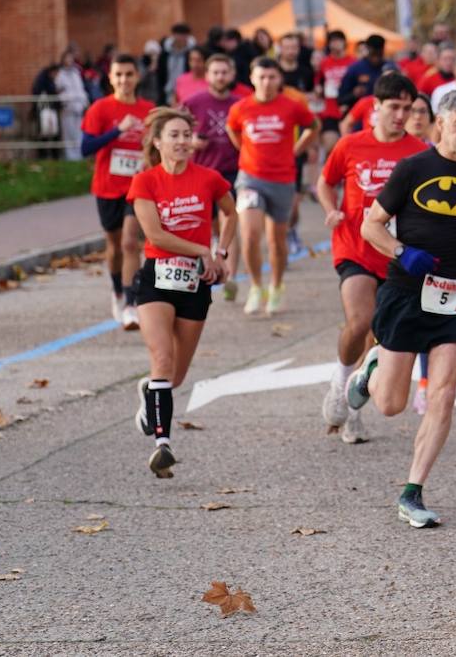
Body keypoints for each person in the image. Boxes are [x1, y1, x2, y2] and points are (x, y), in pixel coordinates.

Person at [345, 89, 456, 528]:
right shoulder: (413, 168)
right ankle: (373, 368)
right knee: (389, 405)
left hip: (451, 296)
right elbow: (371, 224)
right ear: (440, 126)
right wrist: (400, 251)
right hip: (406, 292)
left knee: (444, 394)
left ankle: (413, 491)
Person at [317, 74, 428, 445]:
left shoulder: (419, 151)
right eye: (393, 107)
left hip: (397, 255)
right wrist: (331, 209)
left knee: (378, 334)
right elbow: (324, 181)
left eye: (407, 108)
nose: (400, 115)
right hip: (354, 246)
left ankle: (352, 409)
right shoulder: (350, 145)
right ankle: (339, 381)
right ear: (375, 108)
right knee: (359, 320)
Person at [128, 107, 236, 478]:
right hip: (156, 279)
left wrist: (221, 252)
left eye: (186, 135)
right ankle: (162, 445)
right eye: (173, 135)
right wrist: (202, 250)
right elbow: (155, 235)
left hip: (195, 284)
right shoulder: (145, 181)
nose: (182, 142)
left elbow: (231, 214)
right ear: (157, 142)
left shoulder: (208, 178)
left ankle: (150, 395)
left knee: (174, 376)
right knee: (161, 357)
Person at [226, 57, 319, 315]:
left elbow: (313, 126)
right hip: (250, 178)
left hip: (282, 179)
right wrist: (244, 150)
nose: (266, 83)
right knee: (250, 233)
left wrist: (297, 150)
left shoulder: (291, 106)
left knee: (276, 241)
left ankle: (276, 286)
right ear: (252, 79)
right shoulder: (241, 107)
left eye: (271, 77)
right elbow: (232, 129)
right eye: (261, 77)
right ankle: (256, 286)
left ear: (279, 80)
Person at [81, 54, 155, 330]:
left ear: (137, 77)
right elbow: (85, 148)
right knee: (113, 246)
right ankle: (117, 290)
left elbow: (157, 146)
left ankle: (131, 305)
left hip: (137, 189)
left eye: (129, 74)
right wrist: (117, 131)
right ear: (110, 79)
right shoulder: (100, 109)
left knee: (129, 242)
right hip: (107, 187)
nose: (124, 80)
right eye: (119, 75)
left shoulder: (148, 110)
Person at [183, 53, 246, 301]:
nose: (220, 77)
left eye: (224, 72)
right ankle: (199, 272)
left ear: (232, 75)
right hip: (202, 172)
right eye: (215, 72)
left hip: (232, 171)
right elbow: (174, 133)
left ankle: (230, 277)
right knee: (202, 227)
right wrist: (191, 143)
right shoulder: (192, 102)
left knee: (230, 223)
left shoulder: (241, 103)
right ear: (207, 75)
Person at [315, 30, 352, 156]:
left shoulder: (352, 62)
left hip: (349, 111)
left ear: (344, 43)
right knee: (330, 146)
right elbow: (318, 83)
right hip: (330, 111)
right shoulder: (324, 63)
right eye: (332, 41)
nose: (335, 44)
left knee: (348, 148)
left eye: (338, 41)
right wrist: (318, 89)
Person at [338, 34, 390, 117]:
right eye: (373, 54)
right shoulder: (355, 69)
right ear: (368, 50)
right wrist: (354, 94)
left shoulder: (390, 68)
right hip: (360, 118)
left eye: (379, 54)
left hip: (384, 116)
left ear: (383, 51)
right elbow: (341, 99)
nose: (376, 58)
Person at [55, 47, 90, 161]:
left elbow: (80, 88)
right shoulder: (60, 74)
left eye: (71, 58)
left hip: (79, 106)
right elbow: (59, 90)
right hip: (68, 108)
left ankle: (79, 156)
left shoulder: (76, 72)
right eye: (67, 58)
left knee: (78, 133)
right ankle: (70, 157)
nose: (69, 61)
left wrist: (84, 102)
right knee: (68, 133)